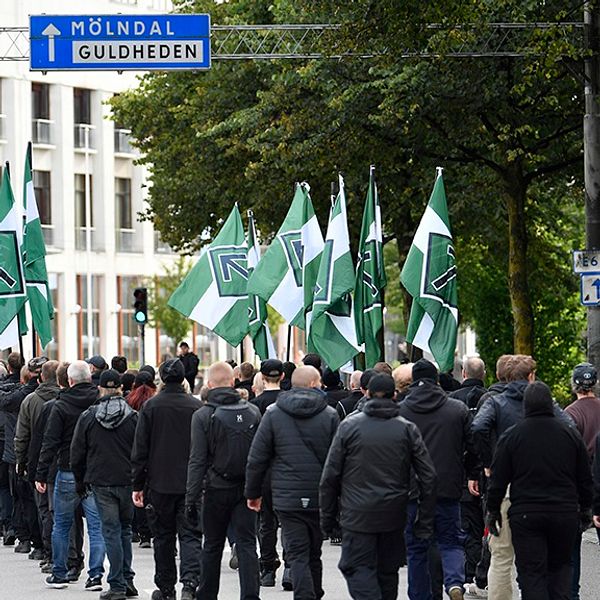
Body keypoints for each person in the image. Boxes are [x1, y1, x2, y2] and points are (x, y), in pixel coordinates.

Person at [320, 374, 437, 600]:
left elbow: (330, 476)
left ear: (366, 393)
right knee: (387, 571)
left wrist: (328, 518)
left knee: (356, 567)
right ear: (395, 395)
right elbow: (428, 476)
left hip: (357, 514)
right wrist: (424, 520)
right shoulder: (407, 429)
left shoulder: (350, 427)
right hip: (393, 512)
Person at [471, 355, 572, 600]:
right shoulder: (547, 404)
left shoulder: (496, 402)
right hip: (542, 485)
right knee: (542, 557)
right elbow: (570, 427)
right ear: (530, 376)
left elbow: (478, 427)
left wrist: (488, 463)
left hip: (505, 484)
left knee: (502, 554)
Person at [486, 381, 593, 600]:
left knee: (531, 573)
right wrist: (586, 509)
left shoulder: (513, 436)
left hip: (526, 513)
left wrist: (493, 510)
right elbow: (584, 477)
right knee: (561, 568)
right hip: (563, 512)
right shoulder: (569, 434)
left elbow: (498, 478)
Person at [246, 365, 339, 600]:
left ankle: (306, 594)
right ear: (312, 384)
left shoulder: (274, 414)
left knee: (298, 552)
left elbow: (257, 457)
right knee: (314, 551)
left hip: (287, 495)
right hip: (319, 494)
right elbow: (338, 459)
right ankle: (313, 592)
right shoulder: (328, 415)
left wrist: (253, 492)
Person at [399, 358, 475, 600]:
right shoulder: (456, 409)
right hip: (447, 486)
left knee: (416, 549)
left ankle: (420, 595)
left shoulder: (400, 411)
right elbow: (474, 446)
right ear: (436, 379)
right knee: (451, 541)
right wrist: (472, 473)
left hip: (413, 491)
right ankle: (454, 582)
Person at [186, 361, 261, 600]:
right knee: (247, 543)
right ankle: (250, 595)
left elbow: (197, 460)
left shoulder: (203, 416)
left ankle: (207, 594)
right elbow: (261, 456)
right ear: (233, 382)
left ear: (209, 384)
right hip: (246, 488)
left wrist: (191, 498)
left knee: (213, 545)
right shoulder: (252, 411)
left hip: (216, 487)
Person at [131, 358, 202, 600]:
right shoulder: (196, 406)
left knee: (163, 537)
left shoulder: (151, 407)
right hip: (190, 482)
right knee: (191, 534)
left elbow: (140, 448)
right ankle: (190, 582)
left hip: (159, 481)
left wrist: (137, 484)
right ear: (183, 379)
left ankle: (166, 587)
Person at [35, 360, 105, 590]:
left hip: (66, 470)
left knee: (62, 524)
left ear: (70, 380)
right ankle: (95, 575)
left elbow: (50, 441)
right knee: (96, 526)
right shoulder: (99, 401)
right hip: (93, 471)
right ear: (89, 377)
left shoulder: (61, 405)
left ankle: (60, 572)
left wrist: (41, 473)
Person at [71, 369, 139, 600]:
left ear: (100, 387)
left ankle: (118, 584)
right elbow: (141, 452)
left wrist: (79, 481)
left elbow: (77, 452)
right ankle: (126, 579)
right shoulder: (132, 416)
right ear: (120, 388)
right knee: (125, 530)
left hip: (101, 480)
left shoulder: (89, 416)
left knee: (110, 530)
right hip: (127, 480)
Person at [14, 359, 59, 563]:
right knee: (63, 512)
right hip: (64, 462)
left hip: (38, 459)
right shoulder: (65, 399)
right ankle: (67, 555)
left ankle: (46, 549)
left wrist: (20, 460)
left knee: (44, 509)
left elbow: (22, 435)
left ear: (41, 377)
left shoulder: (31, 401)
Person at [564, 362, 600, 600]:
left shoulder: (570, 413)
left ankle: (573, 594)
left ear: (574, 384)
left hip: (579, 485)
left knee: (572, 547)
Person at [249, 359, 286, 586]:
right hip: (287, 471)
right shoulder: (289, 402)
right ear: (282, 377)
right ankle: (291, 566)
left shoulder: (254, 407)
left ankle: (267, 568)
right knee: (289, 522)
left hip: (265, 473)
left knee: (267, 523)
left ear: (262, 378)